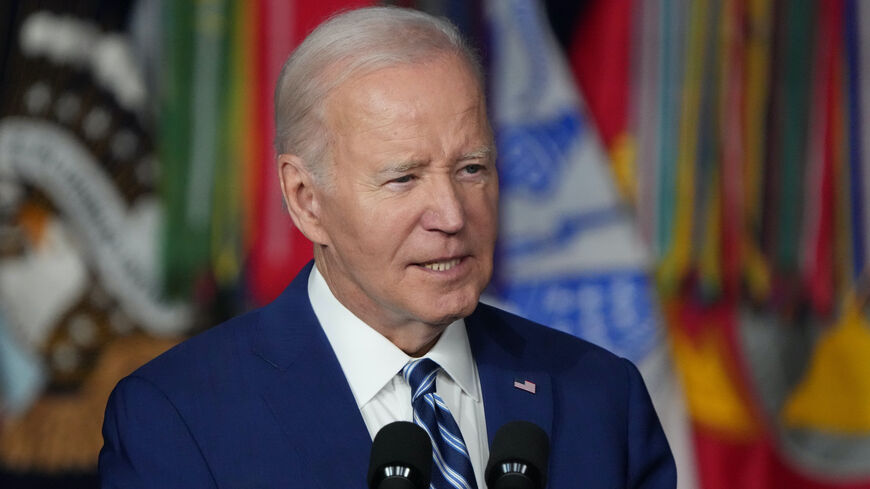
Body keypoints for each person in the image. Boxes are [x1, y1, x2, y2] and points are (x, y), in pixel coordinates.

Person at [99, 6, 676, 489]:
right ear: (305, 200)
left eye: (472, 168)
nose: (452, 216)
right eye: (404, 179)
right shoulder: (176, 419)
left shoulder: (602, 398)